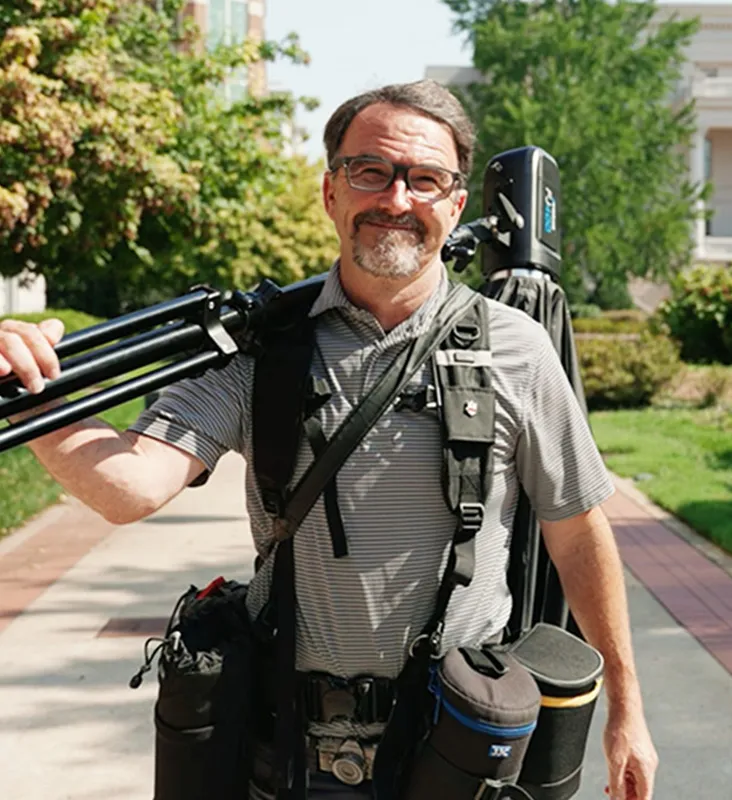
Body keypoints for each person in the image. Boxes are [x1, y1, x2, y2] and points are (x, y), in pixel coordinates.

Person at [0, 79, 657, 800]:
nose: (397, 199)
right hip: (290, 752)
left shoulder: (516, 350)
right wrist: (42, 397)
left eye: (425, 179)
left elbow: (577, 531)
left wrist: (627, 705)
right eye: (370, 171)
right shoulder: (261, 347)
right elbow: (128, 486)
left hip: (459, 749)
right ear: (331, 192)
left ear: (455, 204)